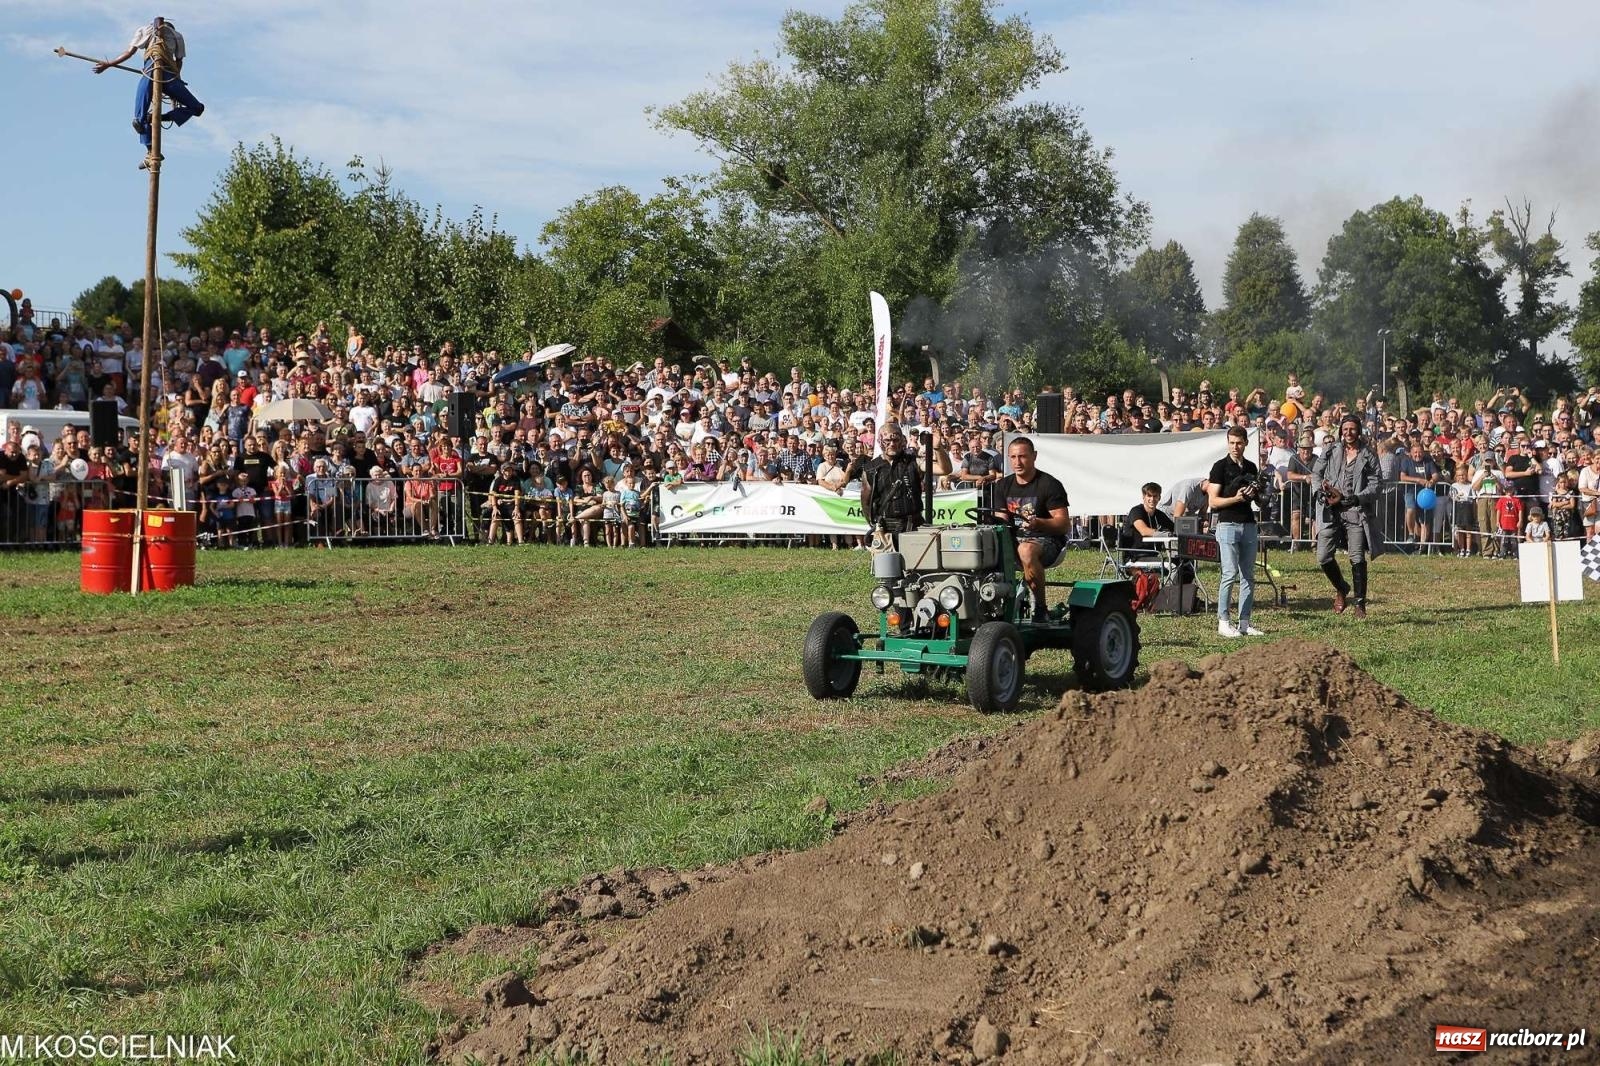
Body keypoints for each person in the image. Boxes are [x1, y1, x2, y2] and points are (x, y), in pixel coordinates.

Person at [95, 17, 205, 165]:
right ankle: (152, 152)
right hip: (153, 71)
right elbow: (179, 62)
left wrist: (109, 64)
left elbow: (130, 53)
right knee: (139, 120)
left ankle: (158, 118)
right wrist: (109, 64)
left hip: (165, 75)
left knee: (195, 108)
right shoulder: (149, 31)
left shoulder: (174, 35)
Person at [1312, 414, 1383, 619]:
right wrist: (1318, 491)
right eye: (1345, 429)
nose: (1348, 433)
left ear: (1358, 431)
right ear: (1340, 430)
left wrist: (1358, 499)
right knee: (1323, 556)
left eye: (1352, 429)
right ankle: (1342, 587)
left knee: (1357, 557)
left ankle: (1360, 604)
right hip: (1330, 510)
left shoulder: (1368, 454)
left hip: (1355, 513)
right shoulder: (1331, 450)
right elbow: (1316, 473)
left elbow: (1377, 484)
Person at [993, 436, 1071, 623]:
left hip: (1048, 540)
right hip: (1014, 539)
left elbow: (1063, 524)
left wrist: (1039, 523)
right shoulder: (1003, 485)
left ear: (1034, 456)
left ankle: (1041, 609)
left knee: (1025, 550)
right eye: (1013, 457)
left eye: (1022, 456)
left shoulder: (1049, 484)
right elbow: (1001, 521)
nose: (1017, 462)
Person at [1207, 426, 1265, 637]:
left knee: (1248, 576)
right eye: (1231, 442)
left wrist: (1256, 494)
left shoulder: (1250, 466)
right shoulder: (1220, 467)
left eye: (1239, 443)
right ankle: (1223, 621)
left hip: (1248, 523)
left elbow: (1258, 499)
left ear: (1245, 443)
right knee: (1229, 574)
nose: (1235, 447)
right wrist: (1236, 498)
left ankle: (1244, 622)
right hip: (1227, 524)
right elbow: (1213, 501)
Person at [859, 424, 924, 547]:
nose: (892, 444)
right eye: (887, 440)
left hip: (914, 524)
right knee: (888, 564)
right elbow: (865, 501)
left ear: (902, 440)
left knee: (918, 563)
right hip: (887, 527)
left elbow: (944, 469)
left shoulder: (913, 461)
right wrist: (874, 525)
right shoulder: (871, 468)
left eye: (896, 440)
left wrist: (938, 448)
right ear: (879, 441)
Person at [1121, 481, 1175, 557]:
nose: (1152, 499)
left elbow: (1174, 528)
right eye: (1149, 496)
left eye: (1155, 496)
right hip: (1134, 555)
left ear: (1159, 497)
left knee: (1177, 564)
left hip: (1153, 555)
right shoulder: (1136, 511)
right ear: (1143, 497)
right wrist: (1166, 534)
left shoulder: (1159, 514)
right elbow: (1144, 531)